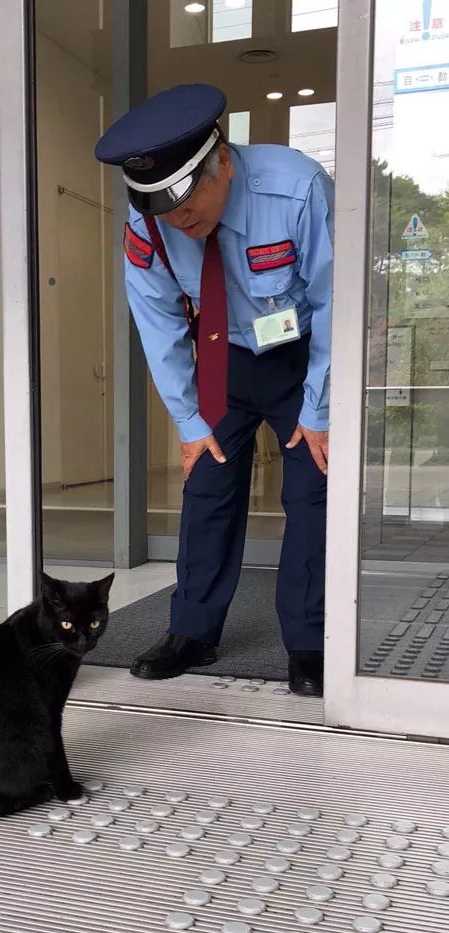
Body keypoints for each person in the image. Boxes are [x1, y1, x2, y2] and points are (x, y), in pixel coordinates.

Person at [95, 85, 333, 697]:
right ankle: (192, 631)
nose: (179, 220)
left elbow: (336, 301)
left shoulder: (299, 188)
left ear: (222, 160)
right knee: (207, 491)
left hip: (300, 357)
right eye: (163, 210)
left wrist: (320, 407)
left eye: (188, 202)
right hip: (222, 358)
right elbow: (157, 318)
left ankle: (309, 643)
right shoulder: (147, 222)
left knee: (310, 494)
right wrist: (189, 421)